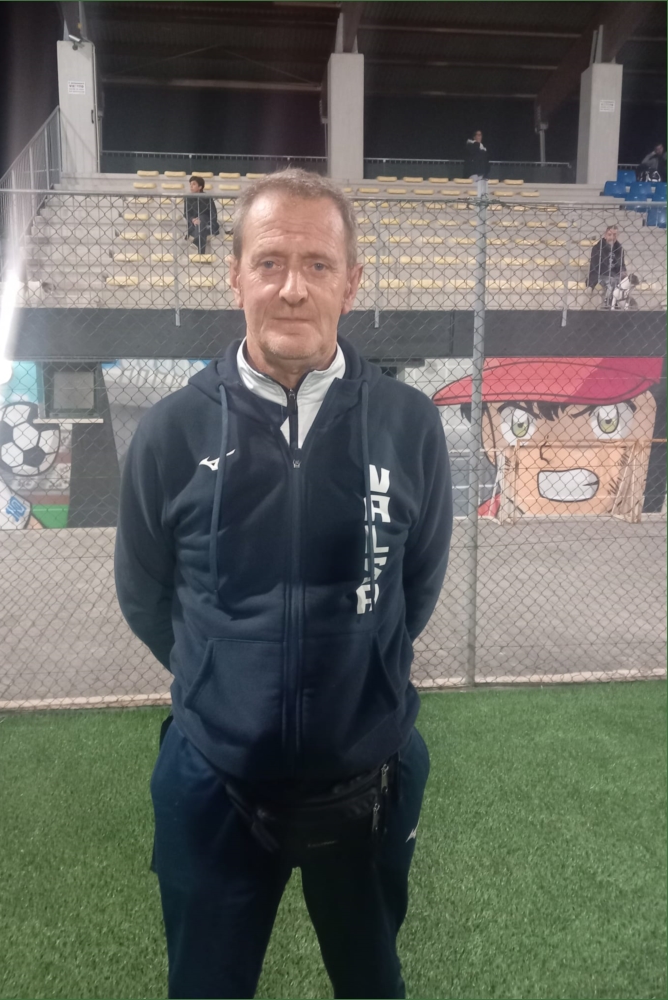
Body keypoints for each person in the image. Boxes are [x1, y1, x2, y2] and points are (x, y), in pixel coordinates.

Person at [115, 168, 453, 999]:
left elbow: (416, 587)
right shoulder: (170, 431)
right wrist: (224, 674)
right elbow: (146, 596)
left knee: (373, 984)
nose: (293, 288)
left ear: (351, 283)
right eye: (269, 263)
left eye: (317, 264)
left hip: (367, 776)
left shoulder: (409, 425)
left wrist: (356, 665)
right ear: (235, 276)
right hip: (214, 782)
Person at [432, 356, 662, 521]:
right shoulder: (484, 519)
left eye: (608, 421)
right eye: (519, 425)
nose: (559, 451)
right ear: (489, 436)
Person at [587, 225, 626, 308]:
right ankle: (608, 303)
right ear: (605, 235)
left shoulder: (619, 248)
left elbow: (622, 265)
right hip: (600, 275)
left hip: (614, 275)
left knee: (623, 282)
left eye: (614, 235)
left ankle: (617, 303)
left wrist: (623, 273)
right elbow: (595, 267)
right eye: (609, 234)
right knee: (612, 281)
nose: (612, 237)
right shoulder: (597, 248)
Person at [183, 174, 219, 253]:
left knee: (202, 218)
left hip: (207, 224)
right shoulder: (188, 198)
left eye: (194, 184)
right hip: (194, 226)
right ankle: (199, 250)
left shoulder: (207, 197)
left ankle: (197, 242)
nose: (191, 186)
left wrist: (202, 220)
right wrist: (193, 219)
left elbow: (213, 213)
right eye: (190, 184)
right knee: (201, 229)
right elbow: (186, 213)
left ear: (200, 187)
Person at [463, 130, 489, 197]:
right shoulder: (470, 145)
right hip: (473, 173)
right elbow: (473, 153)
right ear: (474, 137)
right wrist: (477, 144)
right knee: (472, 191)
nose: (480, 137)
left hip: (481, 173)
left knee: (481, 192)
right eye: (478, 135)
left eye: (481, 135)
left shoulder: (483, 147)